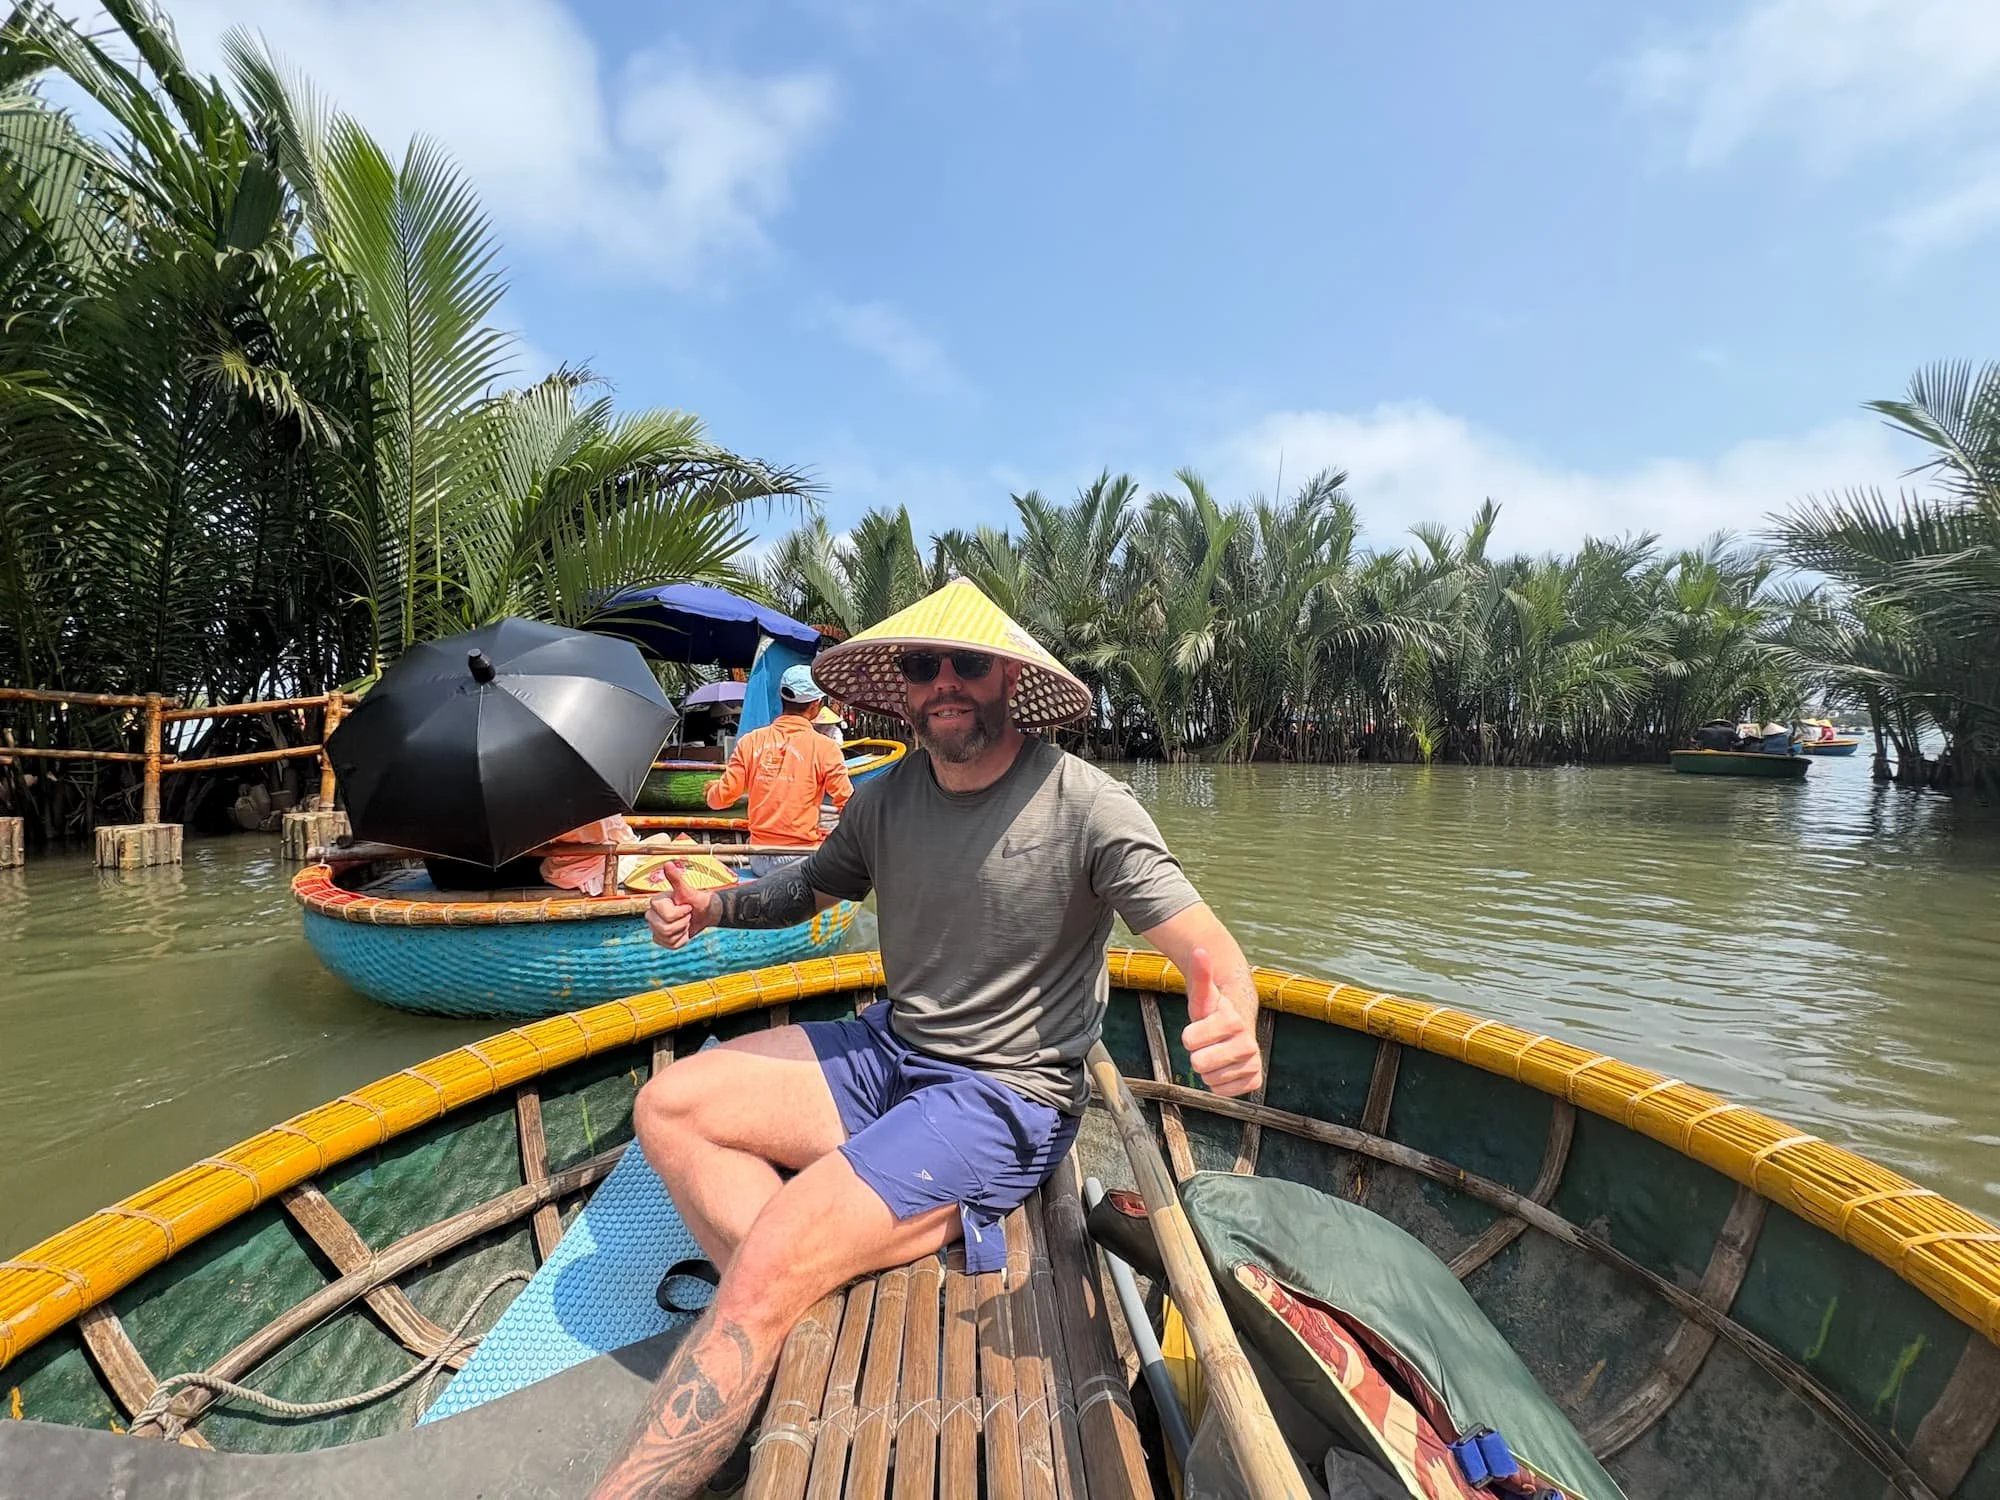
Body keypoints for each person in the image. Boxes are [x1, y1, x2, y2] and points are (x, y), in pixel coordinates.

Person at [589, 578, 1263, 1500]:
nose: (944, 680)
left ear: (1009, 682)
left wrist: (1230, 1013)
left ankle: (759, 1312)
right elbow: (809, 888)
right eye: (922, 663)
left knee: (774, 1259)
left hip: (1002, 1097)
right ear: (901, 686)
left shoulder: (1087, 805)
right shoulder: (888, 797)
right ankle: (791, 1291)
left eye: (968, 663)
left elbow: (1206, 949)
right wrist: (709, 907)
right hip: (892, 1051)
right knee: (669, 1107)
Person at [703, 663, 852, 876]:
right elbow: (849, 805)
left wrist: (712, 791)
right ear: (815, 705)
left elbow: (719, 800)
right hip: (800, 859)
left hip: (758, 858)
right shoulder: (826, 748)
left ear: (783, 700)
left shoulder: (750, 741)